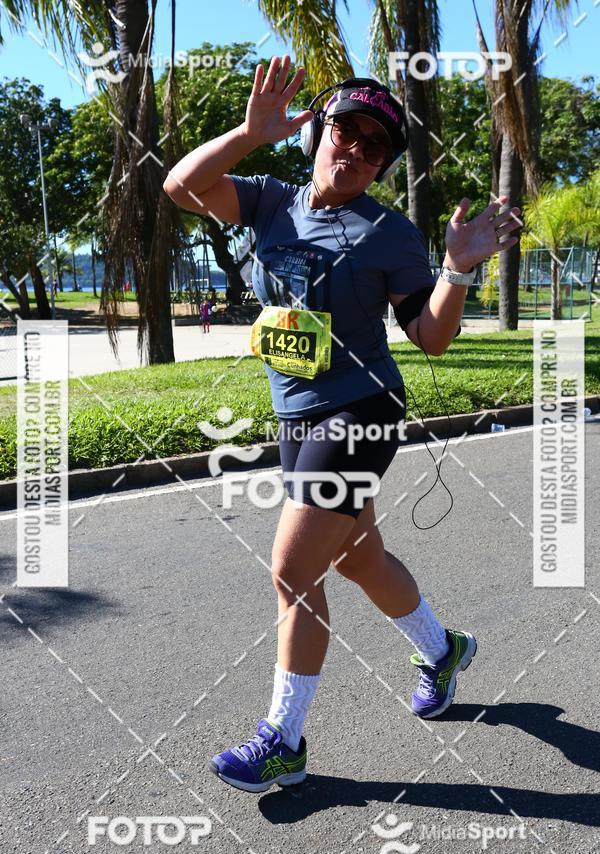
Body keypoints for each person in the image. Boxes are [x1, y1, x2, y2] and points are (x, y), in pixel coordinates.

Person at [163, 56, 520, 794]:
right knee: (357, 560)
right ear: (316, 134)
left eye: (374, 145)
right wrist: (247, 133)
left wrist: (456, 272)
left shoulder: (389, 233)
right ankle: (442, 650)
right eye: (343, 132)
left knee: (293, 574)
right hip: (297, 414)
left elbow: (429, 337)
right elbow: (180, 186)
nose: (354, 149)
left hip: (361, 413)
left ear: (383, 164)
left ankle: (283, 741)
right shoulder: (268, 201)